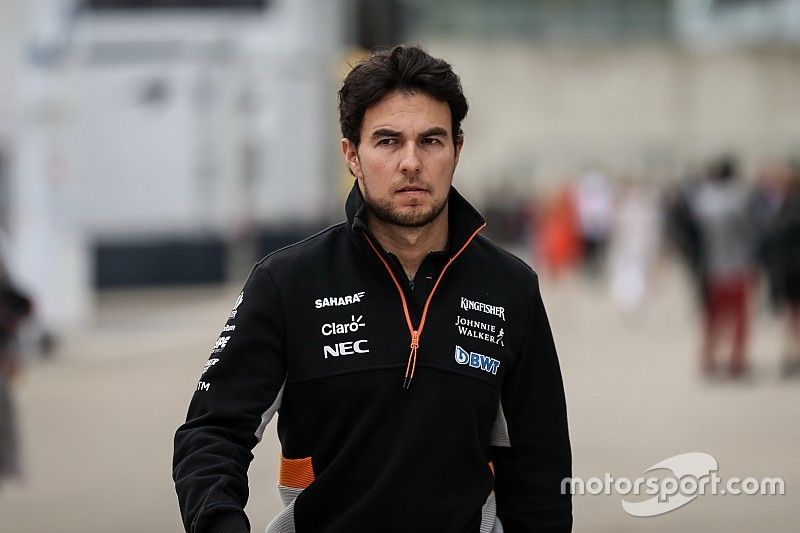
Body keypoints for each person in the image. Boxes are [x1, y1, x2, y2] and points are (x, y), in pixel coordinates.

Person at [173, 45, 572, 532]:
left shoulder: (511, 287)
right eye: (387, 141)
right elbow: (211, 436)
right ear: (352, 154)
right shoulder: (287, 282)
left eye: (431, 140)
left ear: (457, 150)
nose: (411, 162)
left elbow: (542, 467)